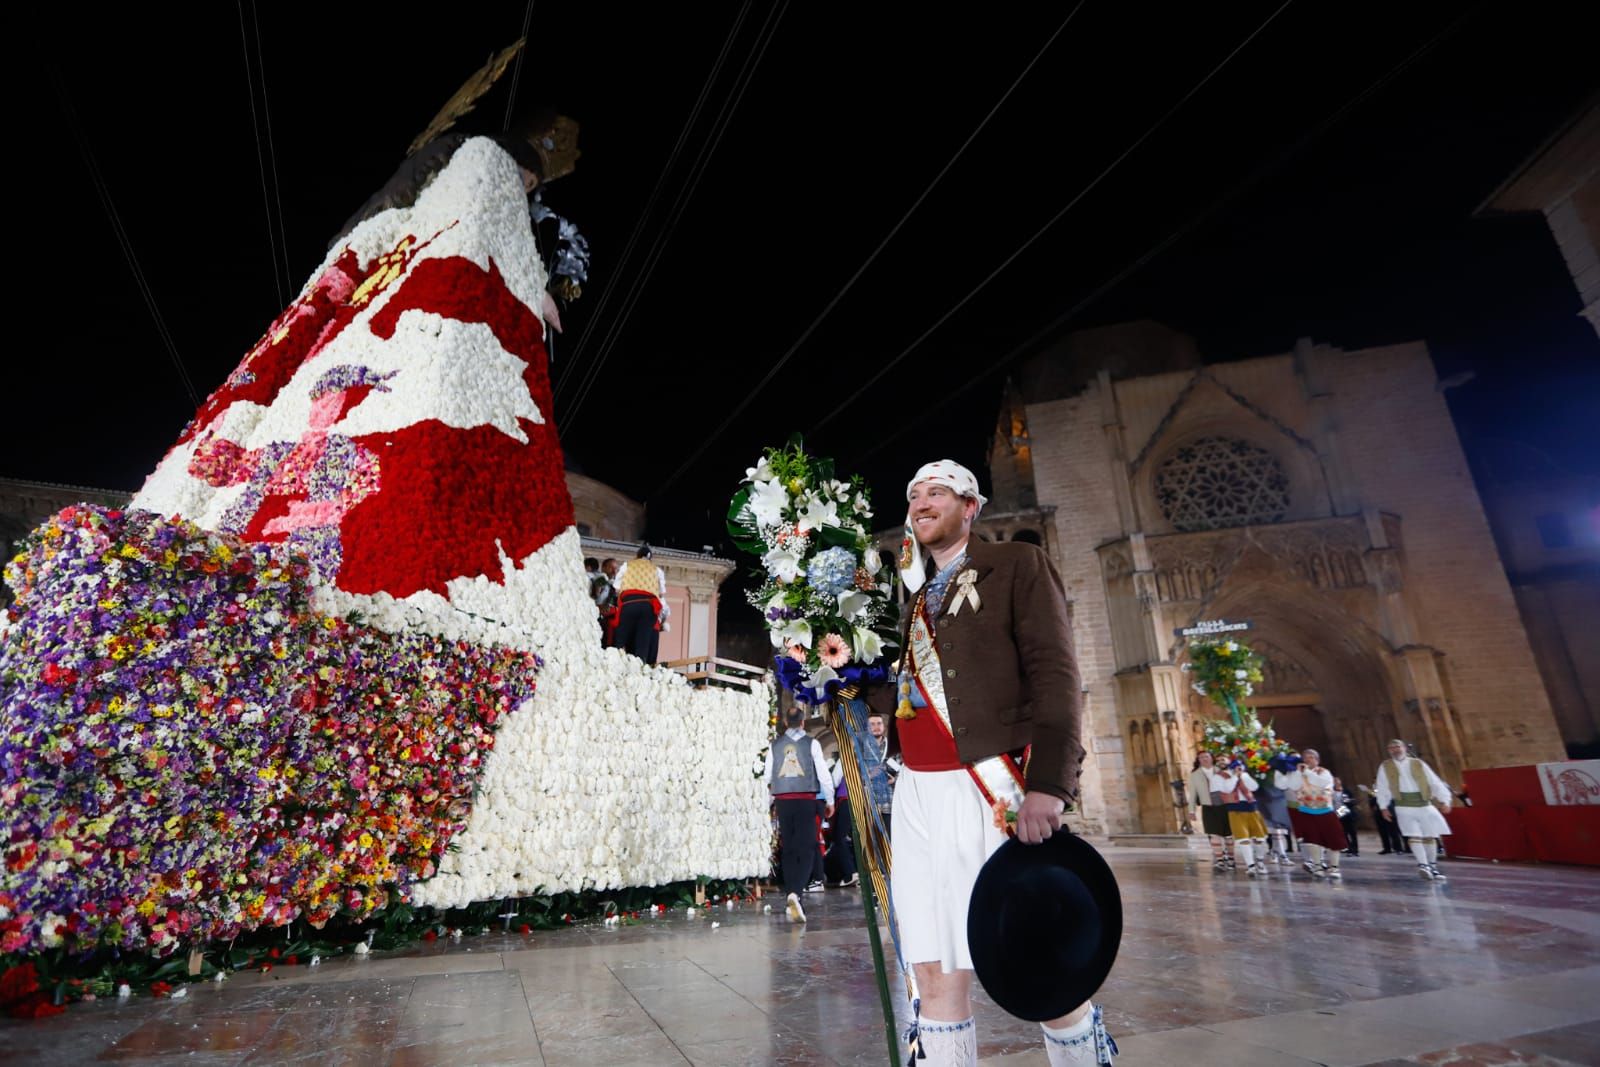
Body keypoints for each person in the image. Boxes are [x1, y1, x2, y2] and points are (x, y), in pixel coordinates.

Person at [866, 460, 1114, 1066]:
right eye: (914, 494)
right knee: (932, 963)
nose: (921, 502)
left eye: (937, 493)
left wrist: (1051, 785)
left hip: (992, 787)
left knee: (1041, 958)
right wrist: (831, 665)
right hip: (918, 794)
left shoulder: (1016, 566)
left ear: (970, 507)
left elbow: (1056, 675)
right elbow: (906, 695)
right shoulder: (912, 598)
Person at [768, 705, 833, 921]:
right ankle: (796, 893)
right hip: (806, 799)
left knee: (788, 848)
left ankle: (791, 894)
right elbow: (823, 773)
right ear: (803, 722)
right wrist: (830, 799)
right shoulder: (812, 743)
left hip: (783, 801)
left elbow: (767, 776)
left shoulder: (775, 745)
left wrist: (767, 802)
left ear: (786, 722)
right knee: (807, 848)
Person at [1373, 739, 1454, 881]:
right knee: (1414, 835)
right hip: (1404, 805)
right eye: (1391, 748)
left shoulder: (1418, 763)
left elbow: (1434, 781)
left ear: (1404, 748)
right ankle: (1423, 865)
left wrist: (1445, 800)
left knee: (1430, 835)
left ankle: (1432, 866)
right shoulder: (1385, 766)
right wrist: (1383, 806)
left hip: (1424, 804)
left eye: (1397, 746)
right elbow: (1383, 787)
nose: (1395, 750)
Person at [1277, 750, 1347, 879]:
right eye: (1305, 758)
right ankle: (1317, 865)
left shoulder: (1324, 772)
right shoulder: (1298, 773)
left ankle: (1334, 867)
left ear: (1317, 760)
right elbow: (1290, 785)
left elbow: (1322, 783)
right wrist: (1289, 771)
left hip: (1325, 810)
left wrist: (1306, 772)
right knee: (1311, 840)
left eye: (1311, 757)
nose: (1308, 760)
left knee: (1334, 839)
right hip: (1306, 810)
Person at [1208, 760, 1271, 877]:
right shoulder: (1220, 777)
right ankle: (1250, 865)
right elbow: (1227, 789)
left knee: (1259, 837)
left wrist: (1243, 776)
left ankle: (1260, 861)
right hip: (1235, 809)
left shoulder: (1245, 775)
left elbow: (1254, 787)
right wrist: (1235, 777)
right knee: (1243, 838)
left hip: (1251, 807)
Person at [611, 545, 665, 663]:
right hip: (649, 607)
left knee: (621, 636)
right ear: (650, 559)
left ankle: (614, 662)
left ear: (637, 555)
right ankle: (640, 668)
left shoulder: (627, 565)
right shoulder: (657, 570)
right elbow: (661, 592)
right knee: (643, 641)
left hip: (630, 603)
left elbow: (616, 586)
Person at [1188, 752, 1234, 871]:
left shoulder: (1220, 770)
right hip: (1208, 805)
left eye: (1206, 757)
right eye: (1201, 758)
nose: (1204, 759)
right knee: (1213, 833)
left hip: (1224, 804)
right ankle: (1219, 859)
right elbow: (1193, 793)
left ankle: (1230, 858)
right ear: (1198, 760)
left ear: (1212, 758)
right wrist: (1191, 811)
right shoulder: (1195, 775)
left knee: (1228, 834)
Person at [864, 711, 900, 838]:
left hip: (891, 804)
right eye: (872, 724)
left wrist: (894, 779)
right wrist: (871, 775)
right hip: (869, 804)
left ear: (883, 726)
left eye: (879, 723)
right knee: (873, 846)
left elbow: (903, 772)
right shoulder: (861, 749)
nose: (876, 727)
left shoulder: (893, 748)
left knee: (892, 842)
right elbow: (854, 775)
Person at [1334, 777, 1359, 856]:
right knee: (1343, 833)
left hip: (1348, 813)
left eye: (1337, 780)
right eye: (1334, 781)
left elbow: (1353, 800)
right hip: (1338, 813)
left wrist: (1348, 801)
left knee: (1352, 832)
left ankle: (1355, 849)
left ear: (1340, 781)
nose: (1336, 782)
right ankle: (1348, 847)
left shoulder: (1346, 790)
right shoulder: (1331, 792)